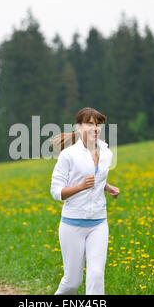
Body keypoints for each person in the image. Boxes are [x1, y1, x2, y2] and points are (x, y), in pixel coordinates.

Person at [50, 107, 120, 295]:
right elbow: (56, 192)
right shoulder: (68, 155)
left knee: (96, 274)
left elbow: (96, 176)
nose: (95, 128)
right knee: (72, 282)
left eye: (98, 125)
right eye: (90, 124)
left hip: (98, 222)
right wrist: (80, 187)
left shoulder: (106, 153)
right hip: (72, 224)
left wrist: (107, 186)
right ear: (79, 128)